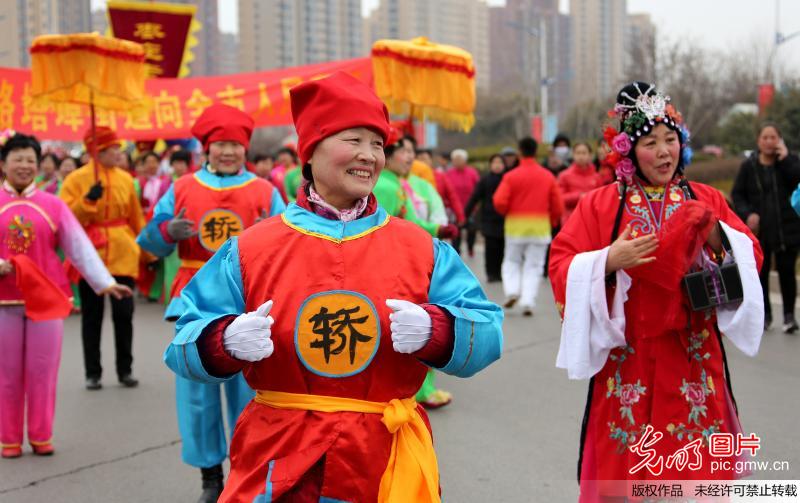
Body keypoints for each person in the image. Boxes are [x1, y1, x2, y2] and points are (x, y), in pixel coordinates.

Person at [164, 72, 503, 502]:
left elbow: (488, 332)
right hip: (278, 460)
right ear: (310, 152)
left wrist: (440, 330)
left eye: (377, 143)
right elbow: (182, 343)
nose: (369, 156)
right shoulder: (250, 249)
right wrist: (223, 339)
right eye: (353, 140)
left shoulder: (422, 249)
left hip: (381, 462)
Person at [550, 82, 764, 500]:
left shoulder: (705, 198)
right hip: (627, 357)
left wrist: (717, 236)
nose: (664, 151)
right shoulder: (600, 205)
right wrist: (609, 260)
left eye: (671, 140)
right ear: (628, 151)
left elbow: (751, 260)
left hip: (693, 354)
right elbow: (561, 264)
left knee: (694, 470)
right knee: (627, 467)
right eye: (650, 142)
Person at [138, 104, 286, 502]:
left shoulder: (265, 191)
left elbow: (290, 242)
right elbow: (148, 240)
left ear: (245, 150)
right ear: (206, 147)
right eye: (221, 144)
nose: (228, 152)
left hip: (248, 299)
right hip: (193, 298)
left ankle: (246, 470)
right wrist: (168, 230)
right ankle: (209, 477)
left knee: (249, 391)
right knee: (197, 391)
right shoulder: (182, 187)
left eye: (235, 145)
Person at [0, 133, 131, 458]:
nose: (25, 166)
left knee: (43, 370)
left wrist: (105, 282)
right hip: (4, 301)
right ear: (3, 164)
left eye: (30, 160)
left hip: (46, 301)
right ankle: (9, 438)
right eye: (17, 159)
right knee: (6, 373)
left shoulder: (53, 205)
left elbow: (78, 246)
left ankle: (42, 435)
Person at [60, 126, 146, 390]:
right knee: (92, 316)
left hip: (122, 251)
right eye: (112, 150)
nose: (118, 153)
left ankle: (125, 369)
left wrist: (147, 252)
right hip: (91, 256)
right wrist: (86, 202)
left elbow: (136, 218)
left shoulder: (126, 179)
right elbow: (64, 217)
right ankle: (93, 372)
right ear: (96, 151)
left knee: (124, 314)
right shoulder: (75, 180)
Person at [732, 123, 800, 333]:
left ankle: (789, 316)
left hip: (787, 229)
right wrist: (748, 214)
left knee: (787, 272)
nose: (769, 142)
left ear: (780, 140)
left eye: (774, 137)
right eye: (765, 137)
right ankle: (765, 315)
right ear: (758, 141)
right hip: (759, 231)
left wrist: (786, 159)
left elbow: (798, 182)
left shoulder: (789, 162)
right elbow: (738, 194)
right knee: (759, 274)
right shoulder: (749, 166)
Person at [493, 136, 563, 316]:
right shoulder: (547, 176)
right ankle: (528, 301)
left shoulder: (510, 176)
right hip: (540, 228)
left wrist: (507, 212)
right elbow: (557, 205)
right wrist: (553, 220)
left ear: (519, 152)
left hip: (515, 227)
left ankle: (512, 291)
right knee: (534, 266)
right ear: (535, 151)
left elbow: (499, 201)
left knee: (511, 261)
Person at [465, 153, 506, 282]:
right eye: (495, 162)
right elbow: (475, 197)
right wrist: (466, 213)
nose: (497, 165)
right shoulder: (485, 180)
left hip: (504, 219)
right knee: (490, 247)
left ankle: (499, 272)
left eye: (500, 163)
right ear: (491, 165)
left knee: (501, 247)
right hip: (488, 218)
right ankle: (490, 273)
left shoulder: (507, 179)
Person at [445, 148, 480, 256]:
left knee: (471, 230)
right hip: (454, 208)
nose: (457, 162)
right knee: (456, 231)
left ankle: (470, 247)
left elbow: (478, 189)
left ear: (465, 160)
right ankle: (456, 251)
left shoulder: (472, 172)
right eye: (455, 160)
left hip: (470, 207)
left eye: (459, 159)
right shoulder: (449, 174)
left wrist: (477, 205)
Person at [557, 142, 602, 224]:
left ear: (590, 155)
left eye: (584, 153)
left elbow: (601, 199)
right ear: (573, 155)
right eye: (578, 153)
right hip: (570, 220)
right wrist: (579, 196)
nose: (581, 156)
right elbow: (560, 198)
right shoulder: (564, 175)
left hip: (591, 220)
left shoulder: (597, 177)